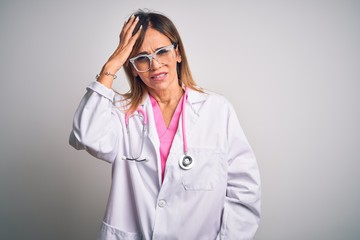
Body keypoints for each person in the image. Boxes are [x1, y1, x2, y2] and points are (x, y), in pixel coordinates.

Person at [69, 9, 261, 240]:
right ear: (131, 67)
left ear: (177, 53)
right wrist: (112, 64)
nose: (155, 64)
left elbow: (244, 191)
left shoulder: (217, 110)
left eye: (162, 51)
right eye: (141, 58)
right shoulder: (122, 112)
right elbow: (85, 135)